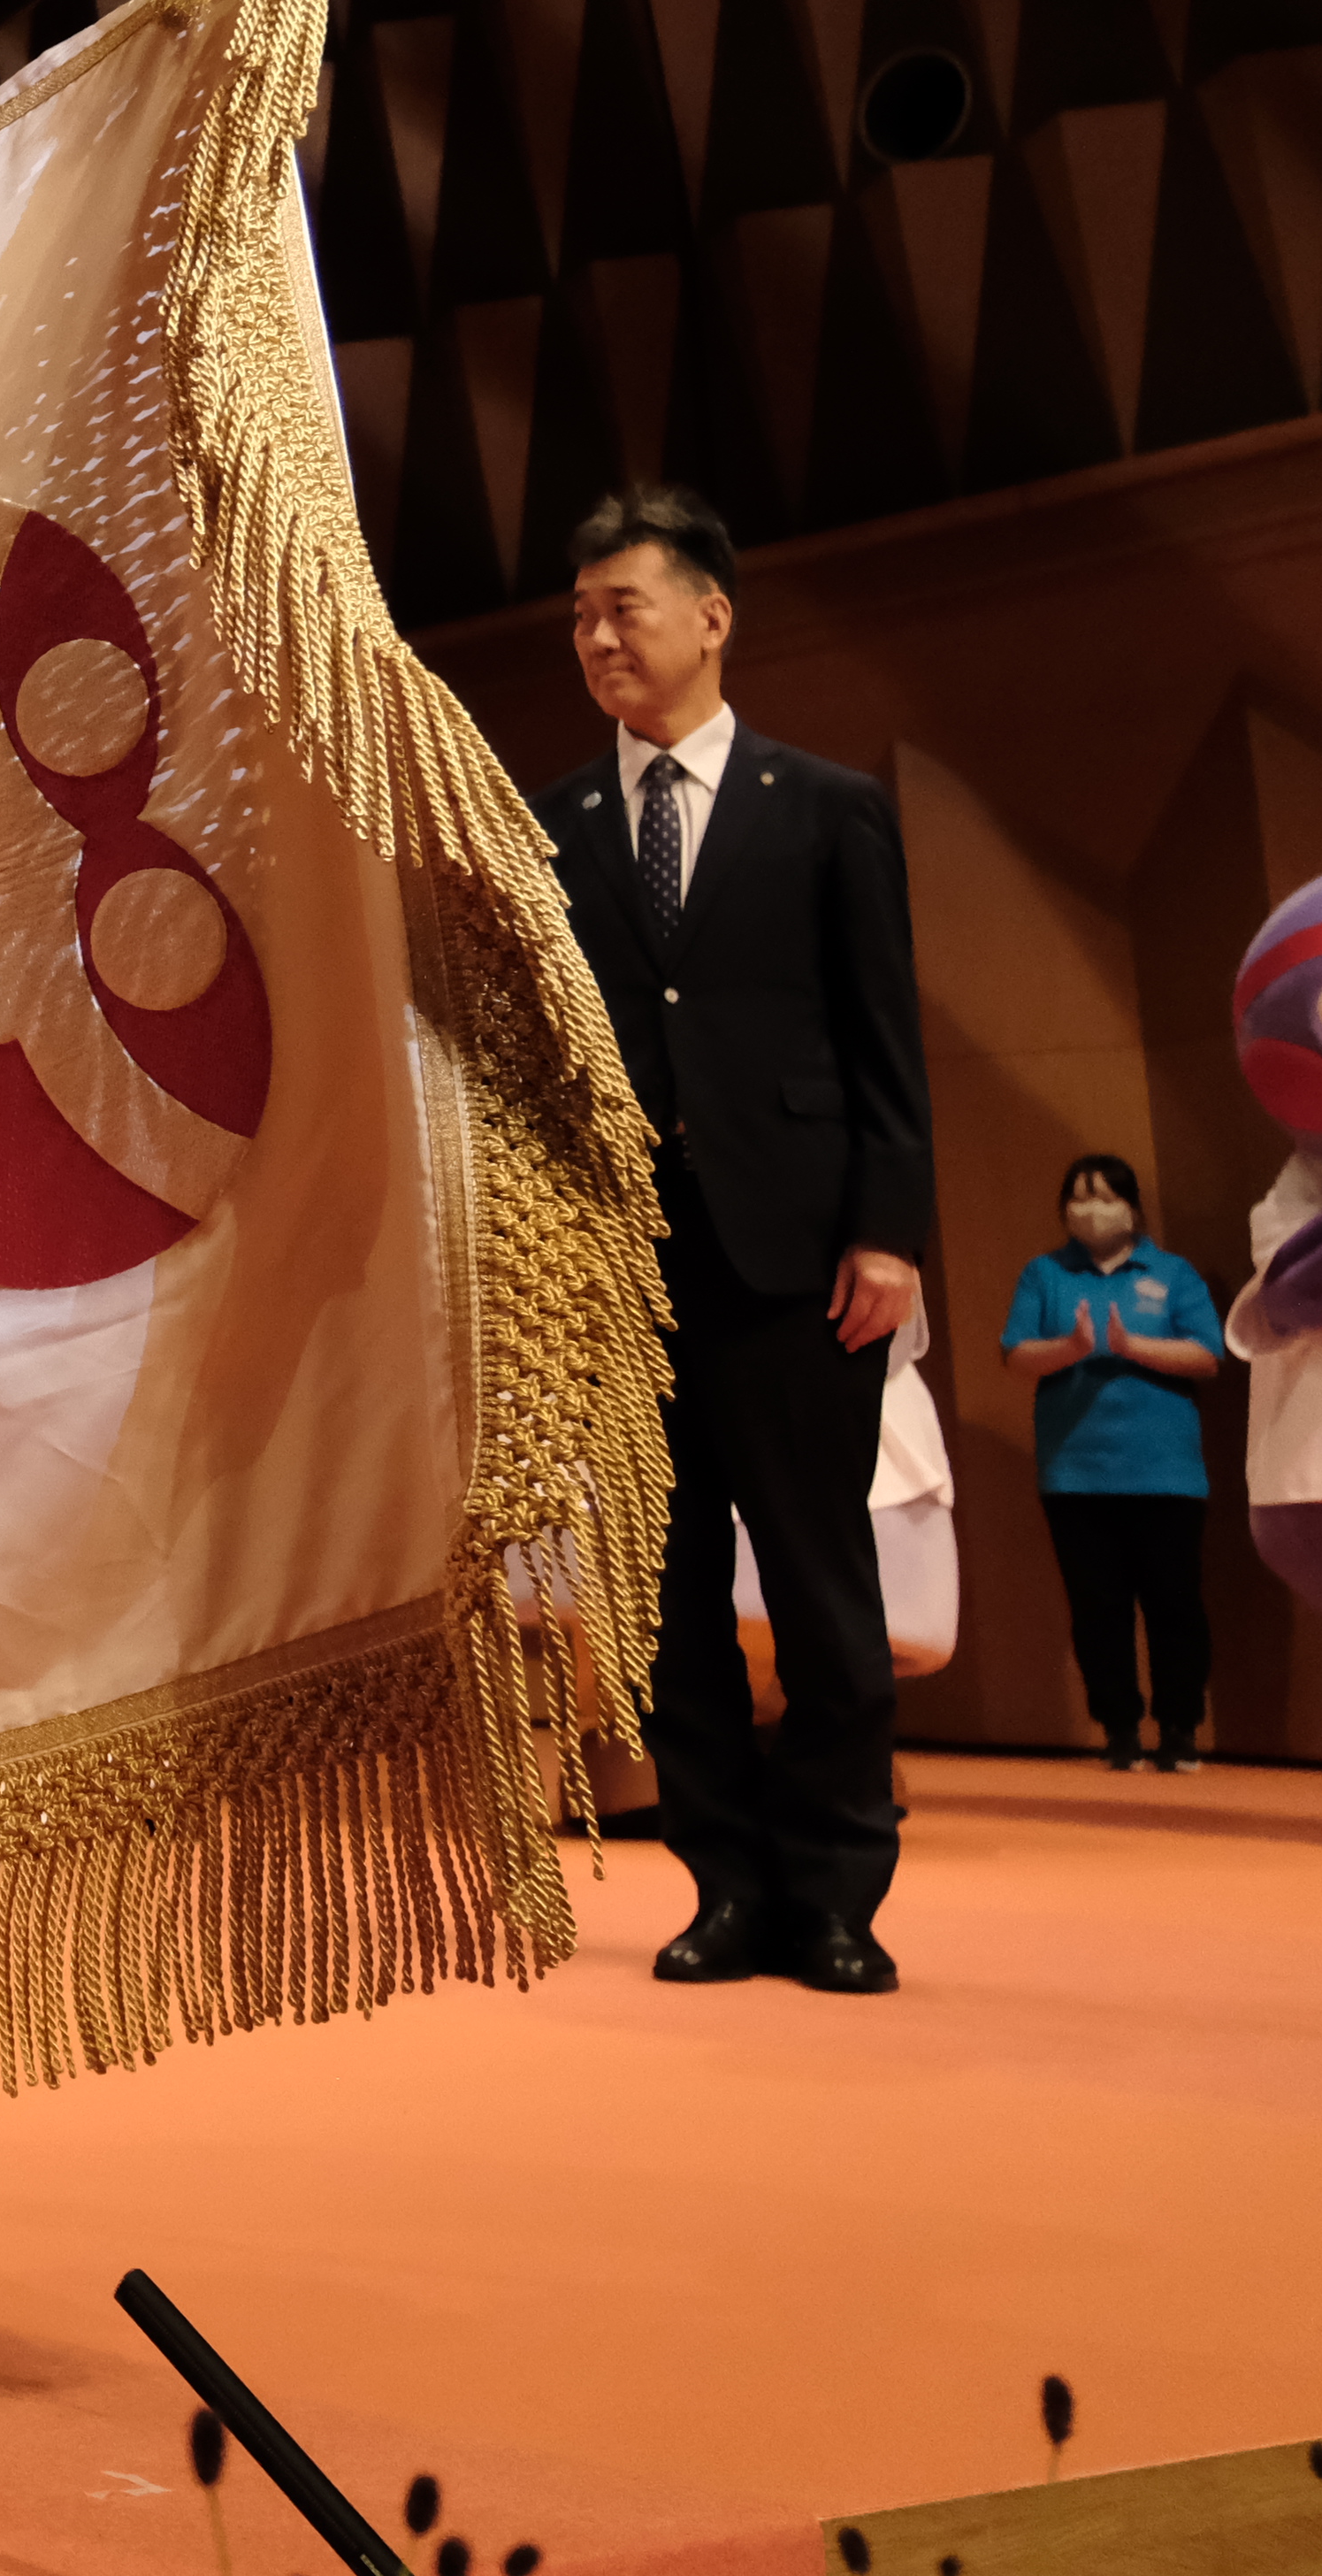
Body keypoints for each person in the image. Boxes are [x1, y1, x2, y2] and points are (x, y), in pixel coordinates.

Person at [538, 479, 936, 1994]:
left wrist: (887, 1231)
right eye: (579, 616)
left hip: (799, 1263)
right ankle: (727, 1888)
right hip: (631, 1276)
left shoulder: (828, 808)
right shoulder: (557, 821)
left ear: (712, 616)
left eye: (620, 606)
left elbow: (882, 1036)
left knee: (825, 1595)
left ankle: (837, 1894)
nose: (596, 637)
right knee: (669, 1604)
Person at [1003, 1151, 1226, 1773]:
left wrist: (1133, 1348)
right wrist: (1071, 1348)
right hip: (1075, 1474)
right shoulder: (1044, 1274)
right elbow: (1017, 1355)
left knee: (1174, 1605)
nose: (1090, 1209)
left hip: (1166, 1475)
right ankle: (1119, 1729)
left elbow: (1209, 1356)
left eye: (1105, 1197)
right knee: (1097, 1609)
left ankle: (1179, 1728)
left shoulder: (1173, 1273)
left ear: (1132, 1208)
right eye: (1078, 1197)